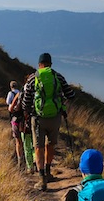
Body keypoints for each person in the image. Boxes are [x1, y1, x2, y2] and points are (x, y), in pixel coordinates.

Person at [21, 52, 76, 191]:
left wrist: (29, 112)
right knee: (51, 144)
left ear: (39, 64)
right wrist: (60, 102)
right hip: (55, 118)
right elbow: (71, 95)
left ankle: (42, 179)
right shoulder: (58, 77)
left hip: (38, 119)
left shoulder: (33, 78)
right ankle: (48, 172)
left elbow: (25, 102)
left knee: (38, 147)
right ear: (51, 64)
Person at [6, 81, 25, 168]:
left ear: (10, 86)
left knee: (18, 140)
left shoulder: (11, 93)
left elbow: (8, 103)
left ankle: (20, 159)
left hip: (15, 117)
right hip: (24, 119)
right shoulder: (22, 93)